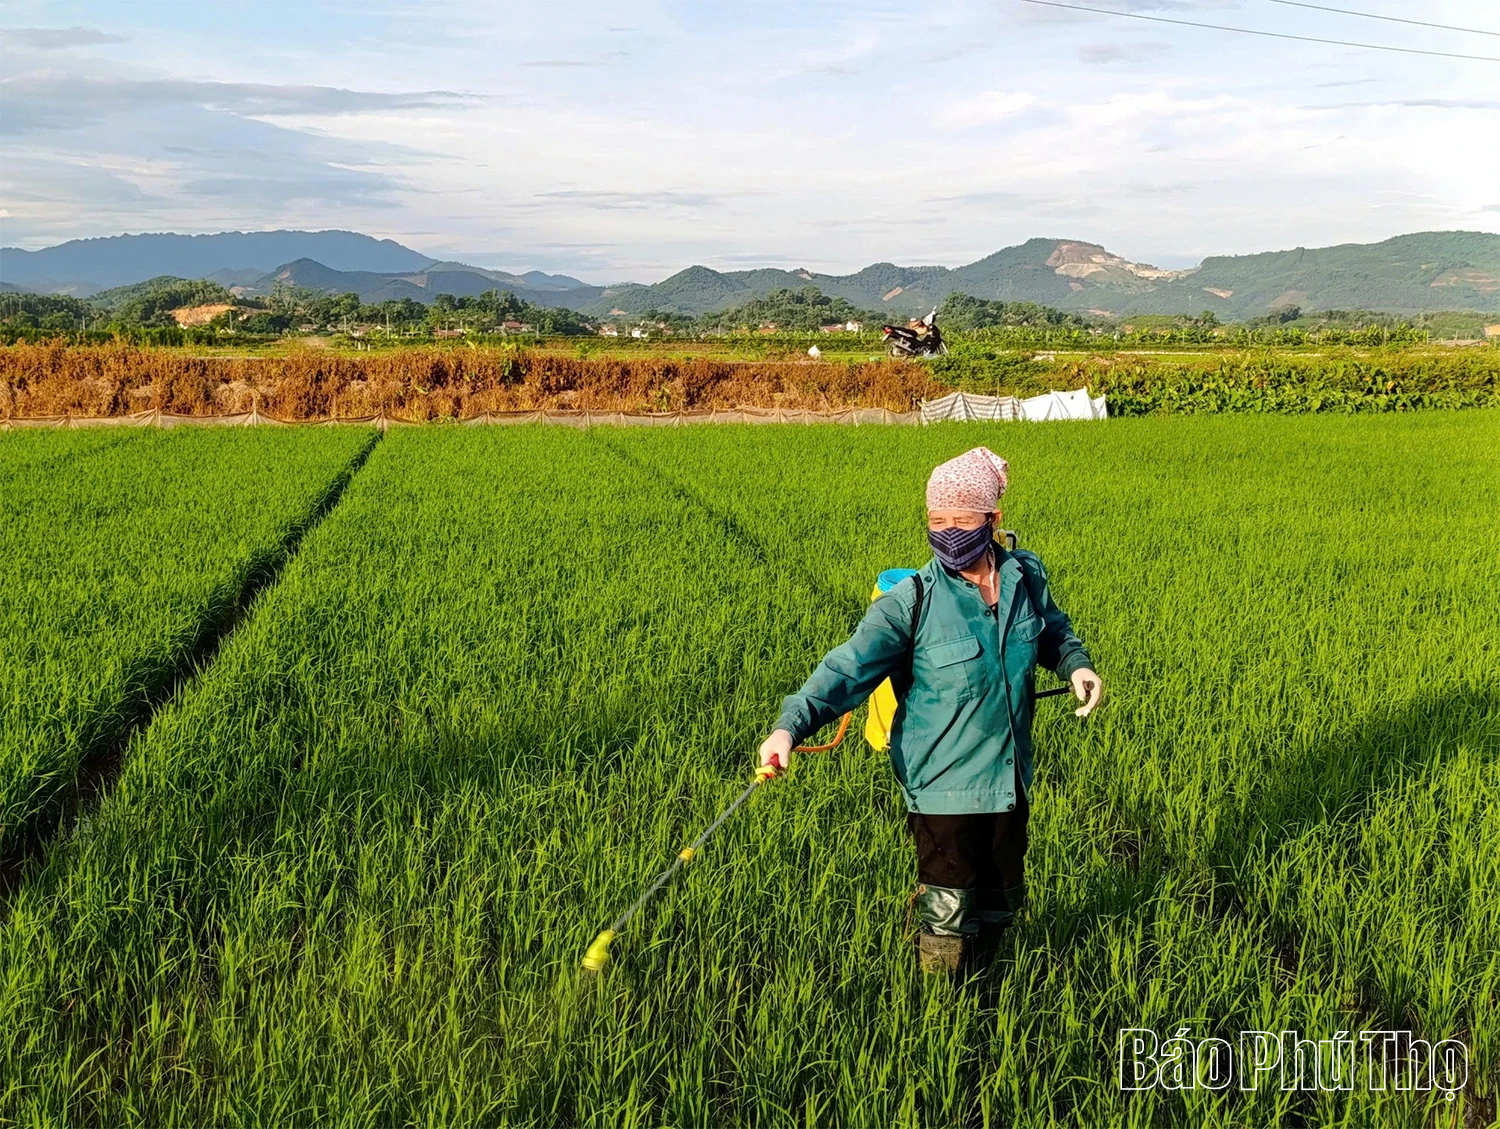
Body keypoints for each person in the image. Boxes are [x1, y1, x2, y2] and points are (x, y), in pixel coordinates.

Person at [758, 446, 1102, 975]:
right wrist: (789, 729)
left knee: (1001, 897)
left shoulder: (1024, 576)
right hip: (942, 786)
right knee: (948, 911)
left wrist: (1076, 665)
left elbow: (1052, 629)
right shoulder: (911, 600)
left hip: (1010, 778)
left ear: (993, 520)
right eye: (937, 521)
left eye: (961, 521)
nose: (947, 533)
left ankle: (986, 988)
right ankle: (941, 1005)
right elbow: (846, 668)